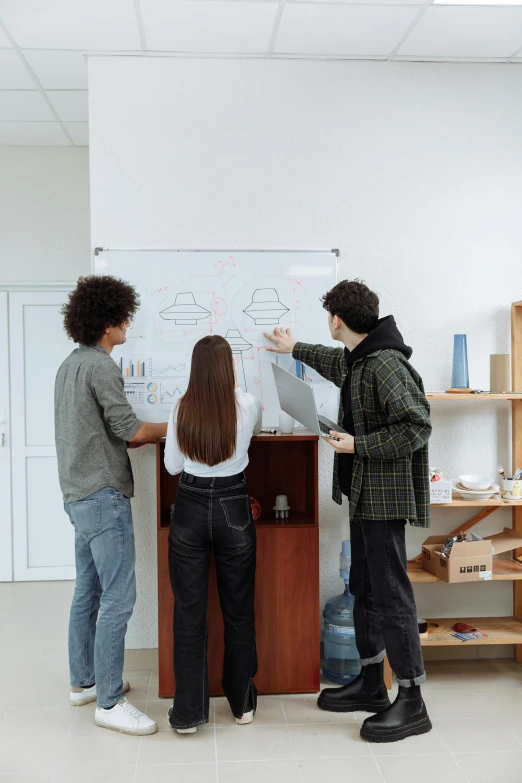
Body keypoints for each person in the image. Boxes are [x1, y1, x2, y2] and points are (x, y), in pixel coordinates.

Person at [265, 279, 432, 744]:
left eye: (327, 317)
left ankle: (413, 701)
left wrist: (359, 445)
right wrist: (294, 346)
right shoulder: (360, 358)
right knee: (364, 586)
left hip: (383, 497)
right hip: (364, 495)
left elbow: (417, 425)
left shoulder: (386, 365)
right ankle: (370, 683)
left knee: (392, 593)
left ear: (337, 319)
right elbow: (334, 361)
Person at [55, 275, 168, 736]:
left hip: (77, 495)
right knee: (119, 597)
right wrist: (179, 421)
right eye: (123, 317)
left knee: (89, 591)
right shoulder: (102, 367)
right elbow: (132, 431)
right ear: (107, 322)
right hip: (103, 498)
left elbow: (97, 431)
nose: (128, 324)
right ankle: (109, 701)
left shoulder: (69, 365)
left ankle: (85, 683)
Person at [164, 335, 262, 734]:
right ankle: (241, 704)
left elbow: (172, 466)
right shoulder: (248, 404)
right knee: (238, 609)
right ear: (229, 368)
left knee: (189, 613)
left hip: (188, 507)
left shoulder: (181, 406)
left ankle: (188, 714)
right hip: (233, 506)